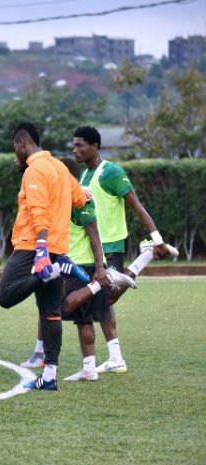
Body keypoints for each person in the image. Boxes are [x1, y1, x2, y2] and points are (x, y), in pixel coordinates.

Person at [21, 158, 139, 380]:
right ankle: (89, 370)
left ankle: (103, 281)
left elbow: (94, 234)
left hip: (80, 264)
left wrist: (99, 269)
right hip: (68, 262)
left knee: (61, 307)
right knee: (82, 319)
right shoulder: (62, 197)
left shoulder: (81, 198)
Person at [72, 126, 177, 374]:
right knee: (102, 303)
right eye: (73, 145)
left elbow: (137, 206)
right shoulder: (83, 177)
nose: (74, 150)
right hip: (91, 248)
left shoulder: (111, 172)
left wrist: (157, 238)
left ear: (94, 146)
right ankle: (116, 359)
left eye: (79, 145)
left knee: (101, 300)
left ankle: (145, 256)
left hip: (110, 246)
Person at [0, 122, 88, 391]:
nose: (16, 153)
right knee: (51, 313)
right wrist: (87, 195)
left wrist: (41, 252)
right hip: (58, 247)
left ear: (22, 144)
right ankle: (49, 376)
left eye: (16, 147)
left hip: (34, 246)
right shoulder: (60, 166)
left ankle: (56, 269)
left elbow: (38, 211)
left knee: (5, 296)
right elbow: (80, 199)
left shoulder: (34, 170)